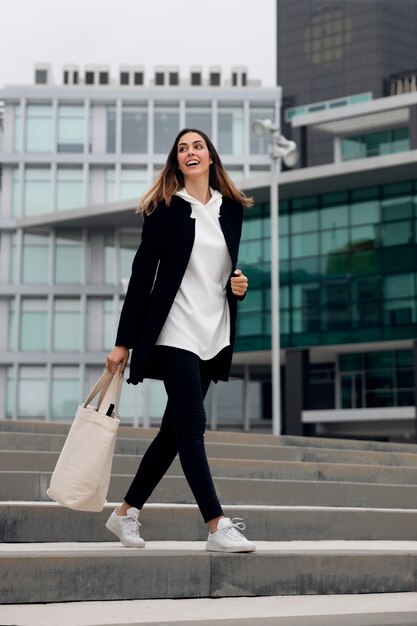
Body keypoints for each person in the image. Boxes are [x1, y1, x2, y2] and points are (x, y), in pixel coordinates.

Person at [105, 128, 255, 553]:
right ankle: (217, 524)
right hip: (174, 331)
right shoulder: (164, 208)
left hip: (213, 331)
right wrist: (124, 342)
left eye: (198, 146)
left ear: (210, 158)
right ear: (177, 161)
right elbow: (141, 279)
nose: (190, 152)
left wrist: (238, 285)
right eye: (183, 148)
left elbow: (221, 274)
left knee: (173, 432)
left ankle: (125, 514)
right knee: (191, 424)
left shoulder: (231, 210)